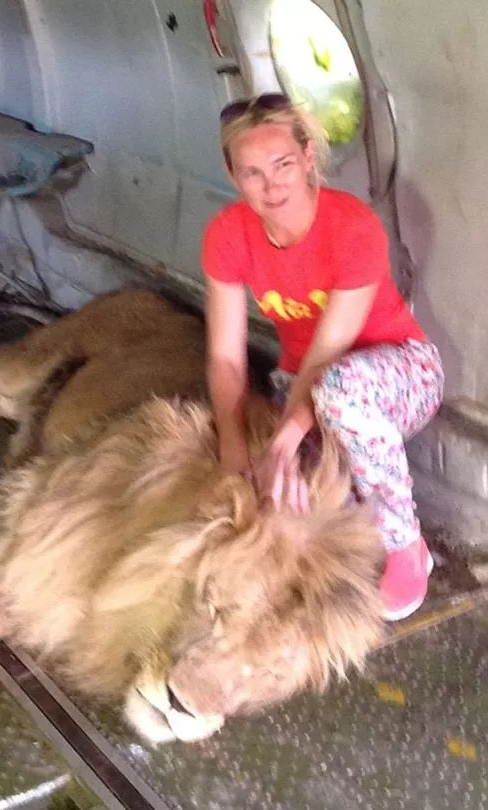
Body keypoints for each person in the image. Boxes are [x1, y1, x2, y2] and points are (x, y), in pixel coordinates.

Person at [201, 93, 444, 621]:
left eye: (283, 164)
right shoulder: (227, 234)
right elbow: (225, 359)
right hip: (310, 384)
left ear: (308, 157)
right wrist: (234, 448)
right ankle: (353, 519)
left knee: (331, 401)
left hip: (400, 368)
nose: (272, 185)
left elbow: (329, 354)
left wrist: (288, 438)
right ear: (232, 174)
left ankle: (407, 546)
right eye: (253, 173)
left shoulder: (352, 226)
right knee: (277, 484)